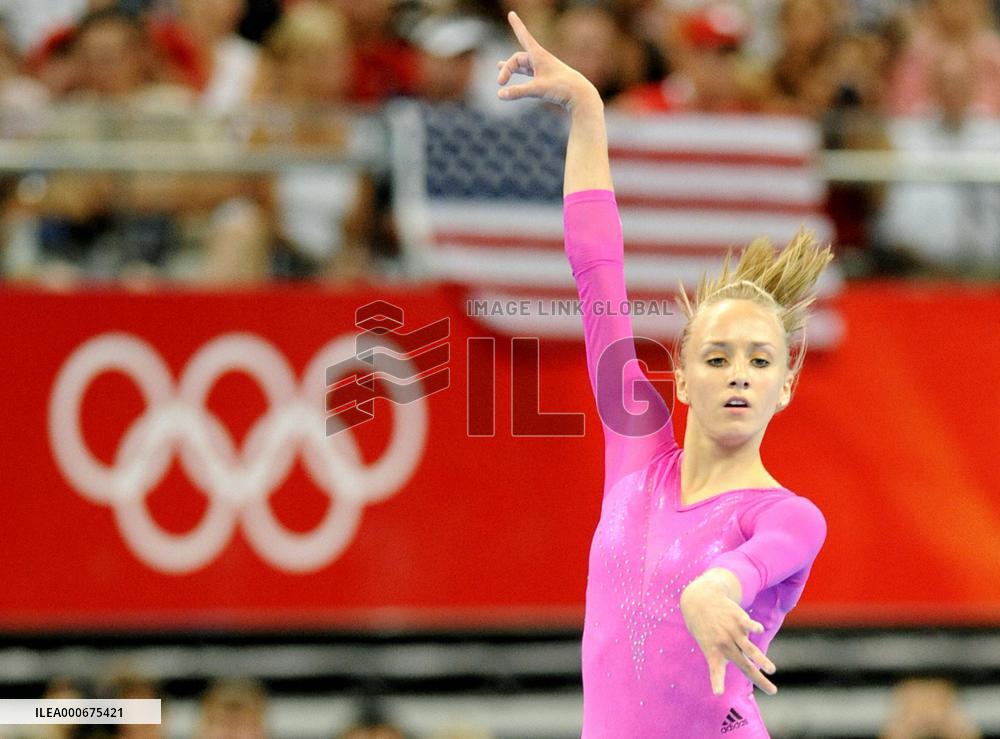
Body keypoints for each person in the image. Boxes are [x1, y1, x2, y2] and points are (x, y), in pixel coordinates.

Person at [496, 11, 832, 737]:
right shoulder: (636, 452)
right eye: (716, 357)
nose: (737, 375)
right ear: (679, 379)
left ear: (786, 384)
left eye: (759, 359)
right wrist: (587, 112)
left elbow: (746, 566)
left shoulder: (786, 516)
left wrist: (716, 585)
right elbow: (597, 278)